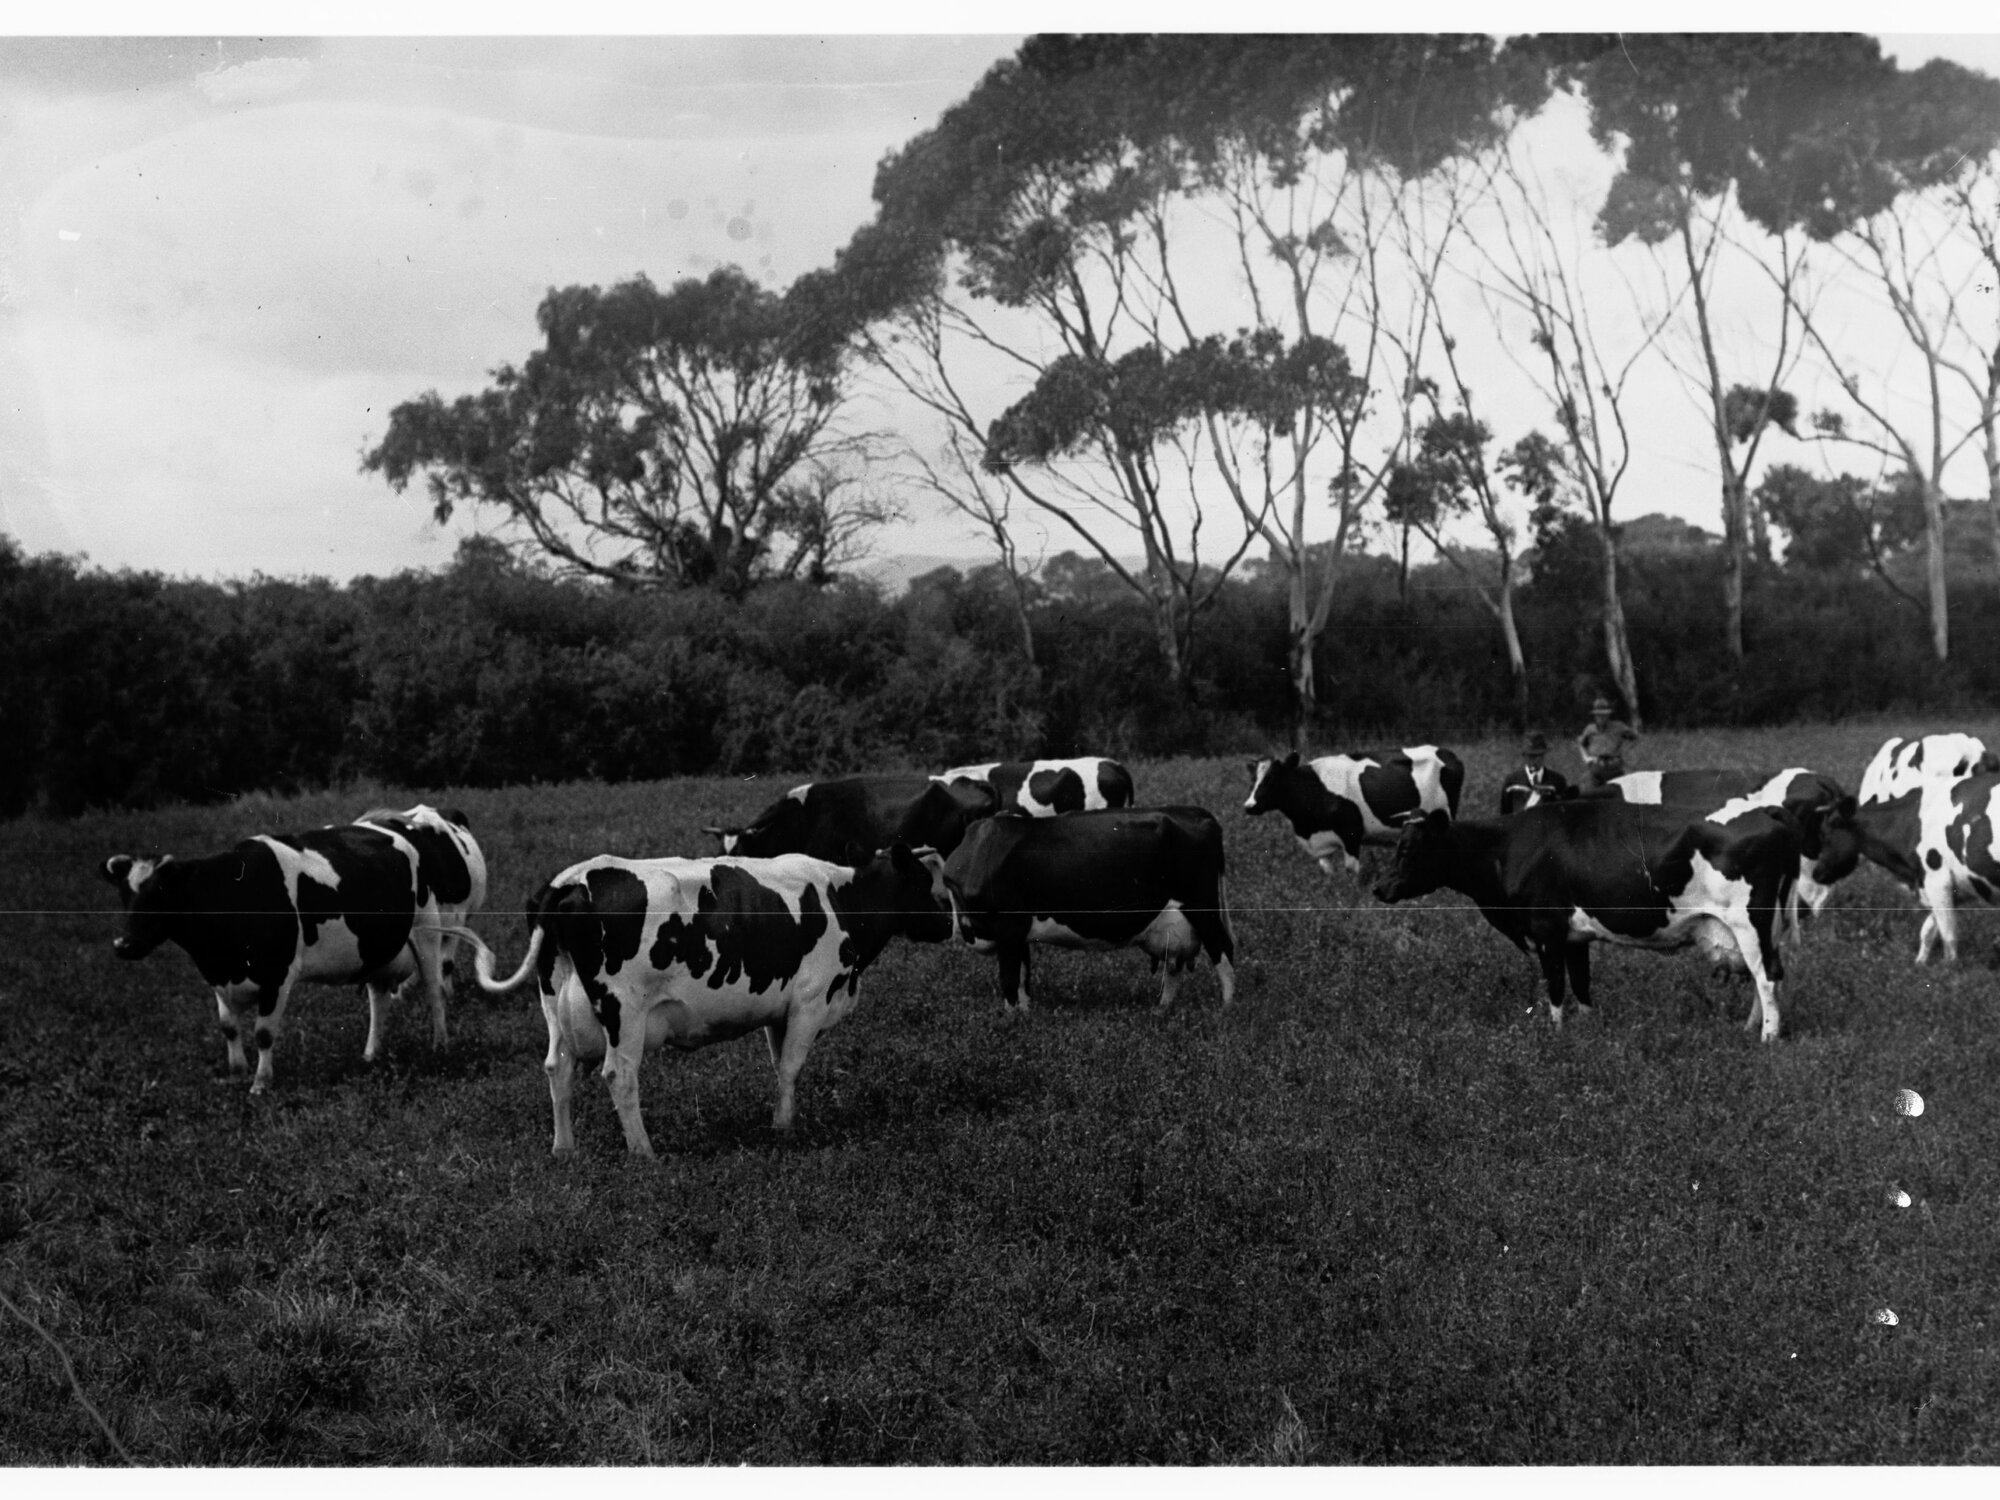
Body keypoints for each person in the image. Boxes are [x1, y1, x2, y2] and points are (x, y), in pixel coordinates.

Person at [1574, 694, 1639, 789]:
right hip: (1596, 766)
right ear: (1594, 716)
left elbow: (1635, 738)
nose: (1601, 717)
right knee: (1594, 792)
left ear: (1608, 715)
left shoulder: (1618, 727)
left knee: (1617, 791)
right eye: (1599, 715)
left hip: (1614, 767)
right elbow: (1581, 743)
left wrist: (1625, 751)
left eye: (1604, 715)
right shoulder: (1590, 729)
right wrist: (1586, 758)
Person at [1499, 732, 1571, 815]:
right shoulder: (1512, 781)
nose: (1535, 760)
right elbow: (1505, 814)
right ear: (1525, 756)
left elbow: (1564, 813)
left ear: (1543, 756)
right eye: (1531, 756)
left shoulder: (1557, 780)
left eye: (1538, 756)